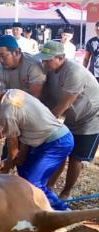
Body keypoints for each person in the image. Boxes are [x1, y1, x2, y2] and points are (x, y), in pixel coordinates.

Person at [0, 74, 73, 211]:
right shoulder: (14, 92)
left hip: (56, 142)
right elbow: (23, 121)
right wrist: (5, 129)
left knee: (33, 183)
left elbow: (13, 145)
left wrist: (8, 162)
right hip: (42, 139)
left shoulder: (7, 111)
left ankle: (63, 211)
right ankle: (37, 206)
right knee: (23, 167)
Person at [38, 41, 99, 200]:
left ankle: (66, 192)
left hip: (91, 118)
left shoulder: (74, 72)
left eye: (48, 59)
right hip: (71, 117)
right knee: (61, 151)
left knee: (76, 157)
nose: (44, 63)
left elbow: (64, 104)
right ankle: (49, 187)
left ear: (60, 58)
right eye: (43, 59)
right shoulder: (49, 70)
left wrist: (44, 123)